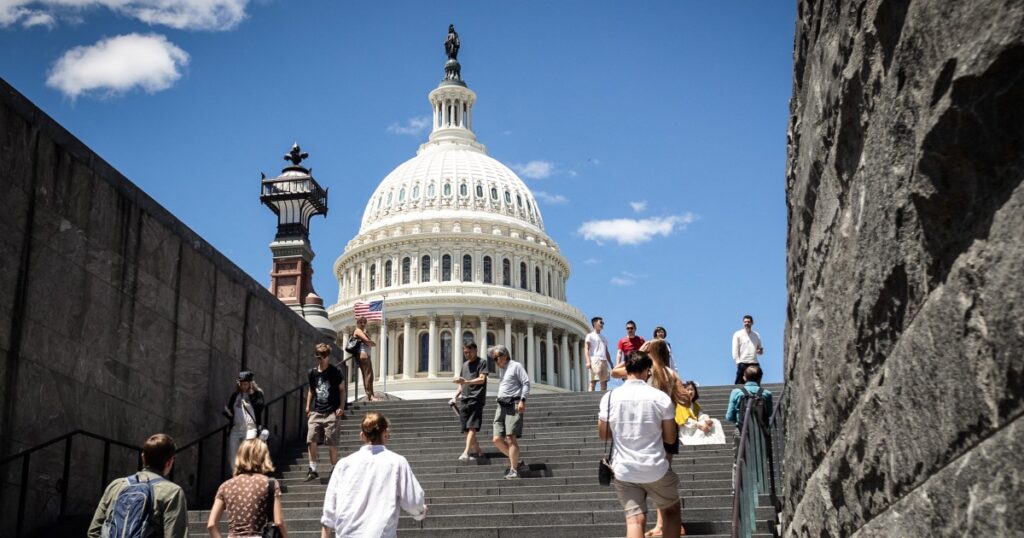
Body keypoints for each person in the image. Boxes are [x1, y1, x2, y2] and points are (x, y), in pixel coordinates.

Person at [598, 352, 682, 538]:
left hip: (624, 469)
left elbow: (603, 434)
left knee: (634, 520)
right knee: (671, 511)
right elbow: (670, 438)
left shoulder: (610, 398)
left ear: (626, 369)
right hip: (655, 467)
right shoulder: (660, 398)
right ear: (648, 370)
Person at [320, 412, 427, 538]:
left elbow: (329, 513)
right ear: (386, 432)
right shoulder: (397, 462)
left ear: (362, 435)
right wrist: (420, 511)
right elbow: (412, 501)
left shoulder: (343, 464)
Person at [88, 433, 188, 538]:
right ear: (169, 462)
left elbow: (93, 532)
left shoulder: (116, 485)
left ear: (143, 457)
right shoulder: (172, 492)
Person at [206, 439, 289, 538]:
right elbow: (279, 522)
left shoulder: (225, 486)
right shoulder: (269, 483)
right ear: (263, 457)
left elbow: (211, 524)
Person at [489, 344, 530, 479]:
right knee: (496, 439)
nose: (495, 361)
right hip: (501, 405)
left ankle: (514, 469)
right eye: (493, 359)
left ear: (505, 355)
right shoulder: (503, 369)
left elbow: (526, 382)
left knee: (510, 438)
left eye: (496, 358)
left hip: (514, 403)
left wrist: (523, 400)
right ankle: (517, 461)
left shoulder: (516, 366)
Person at [305, 343, 346, 482]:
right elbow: (311, 390)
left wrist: (341, 406)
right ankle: (312, 469)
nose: (320, 359)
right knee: (311, 439)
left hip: (331, 412)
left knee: (331, 441)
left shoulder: (335, 372)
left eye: (323, 356)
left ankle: (334, 468)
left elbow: (342, 390)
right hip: (316, 411)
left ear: (328, 356)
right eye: (318, 356)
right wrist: (307, 406)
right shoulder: (312, 373)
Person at [449, 341, 488, 462]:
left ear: (475, 350)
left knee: (472, 426)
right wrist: (455, 396)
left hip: (476, 398)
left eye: (469, 352)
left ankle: (466, 452)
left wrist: (466, 382)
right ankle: (479, 451)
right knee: (466, 429)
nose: (467, 355)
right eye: (465, 352)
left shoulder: (482, 363)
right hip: (464, 399)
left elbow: (482, 379)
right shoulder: (465, 365)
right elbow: (462, 384)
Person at [221, 371, 266, 473]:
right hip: (236, 428)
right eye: (241, 384)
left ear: (250, 384)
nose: (243, 386)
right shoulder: (235, 396)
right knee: (233, 455)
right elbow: (231, 410)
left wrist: (251, 395)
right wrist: (228, 413)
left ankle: (248, 476)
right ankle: (236, 476)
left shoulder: (257, 394)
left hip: (250, 428)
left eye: (245, 384)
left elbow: (260, 407)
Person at [676, 381, 725, 445]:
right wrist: (699, 425)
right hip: (687, 431)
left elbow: (700, 415)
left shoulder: (695, 405)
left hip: (696, 427)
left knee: (715, 421)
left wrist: (707, 418)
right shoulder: (680, 404)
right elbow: (686, 421)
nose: (690, 392)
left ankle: (720, 442)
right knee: (702, 423)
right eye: (688, 390)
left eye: (692, 390)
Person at [731, 315, 763, 384]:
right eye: (745, 322)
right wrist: (738, 362)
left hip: (754, 362)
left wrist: (760, 351)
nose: (746, 323)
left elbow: (760, 350)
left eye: (748, 322)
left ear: (752, 323)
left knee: (756, 382)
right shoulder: (737, 334)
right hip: (743, 362)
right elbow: (735, 350)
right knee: (740, 383)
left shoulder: (756, 335)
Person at [353, 316, 378, 401]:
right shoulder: (358, 331)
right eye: (361, 322)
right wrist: (371, 342)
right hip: (363, 355)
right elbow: (368, 341)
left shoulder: (362, 331)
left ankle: (371, 394)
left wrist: (371, 342)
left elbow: (370, 342)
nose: (363, 324)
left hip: (365, 354)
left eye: (364, 322)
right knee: (368, 375)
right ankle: (370, 395)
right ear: (358, 323)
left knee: (368, 375)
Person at [585, 316, 613, 392]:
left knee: (604, 383)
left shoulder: (604, 338)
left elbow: (606, 352)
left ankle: (603, 400)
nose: (602, 324)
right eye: (601, 322)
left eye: (602, 323)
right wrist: (588, 361)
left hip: (604, 360)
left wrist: (611, 363)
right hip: (595, 359)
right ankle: (590, 399)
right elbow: (586, 349)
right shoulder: (590, 335)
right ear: (594, 323)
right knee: (593, 381)